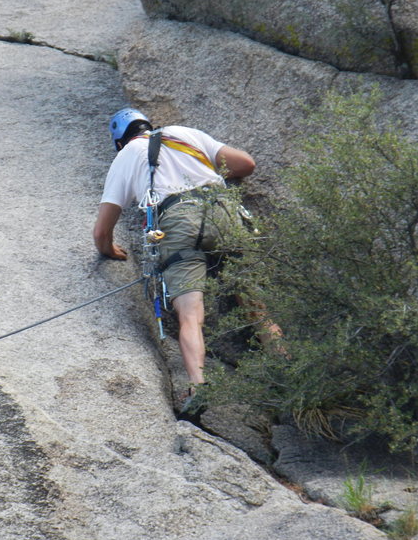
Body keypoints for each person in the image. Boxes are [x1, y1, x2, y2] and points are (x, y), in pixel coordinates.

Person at [93, 108, 281, 419]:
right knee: (256, 303)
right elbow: (245, 165)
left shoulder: (126, 156)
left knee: (190, 314)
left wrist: (109, 250)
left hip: (178, 222)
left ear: (119, 142)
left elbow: (102, 231)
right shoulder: (185, 134)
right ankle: (287, 365)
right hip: (223, 210)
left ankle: (199, 385)